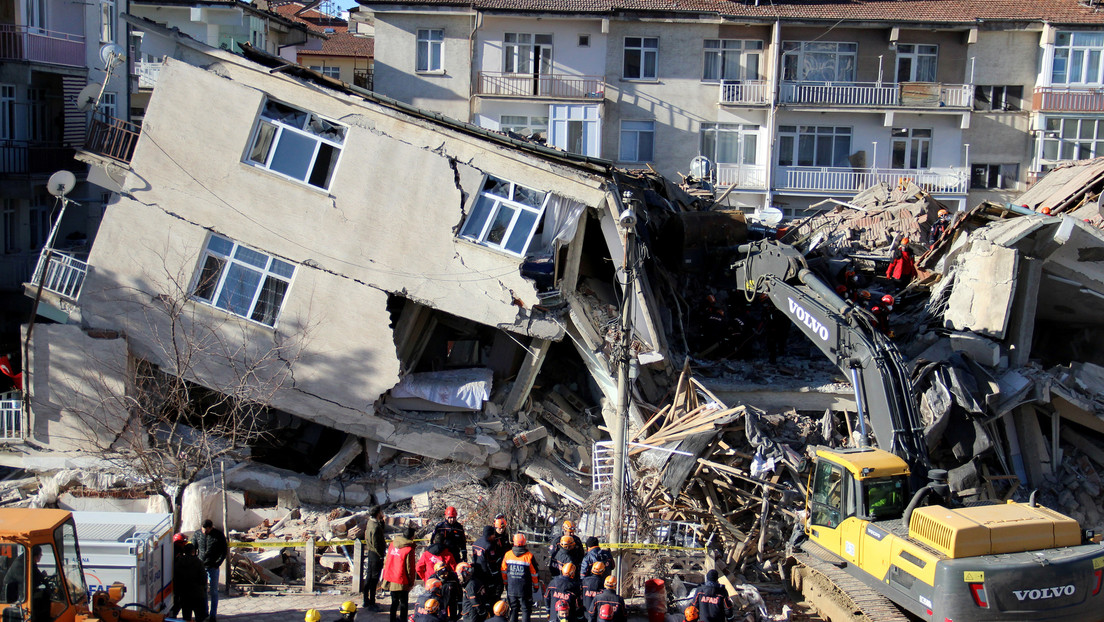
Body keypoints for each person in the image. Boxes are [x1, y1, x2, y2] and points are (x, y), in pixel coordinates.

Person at [192, 519, 228, 622]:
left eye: (206, 530)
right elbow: (193, 548)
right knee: (202, 591)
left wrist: (218, 563)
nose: (204, 532)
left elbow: (224, 551)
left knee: (213, 592)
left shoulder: (218, 535)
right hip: (201, 567)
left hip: (213, 567)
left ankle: (213, 615)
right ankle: (204, 612)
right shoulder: (197, 534)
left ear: (211, 527)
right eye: (203, 530)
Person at [381, 525, 418, 622]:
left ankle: (392, 619)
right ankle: (403, 620)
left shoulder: (392, 544)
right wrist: (411, 582)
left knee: (394, 602)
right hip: (402, 579)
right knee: (404, 603)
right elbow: (410, 568)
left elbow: (387, 560)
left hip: (391, 577)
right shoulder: (409, 549)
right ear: (412, 537)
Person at [501, 533, 538, 622]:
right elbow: (534, 574)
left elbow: (503, 571)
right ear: (525, 543)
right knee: (526, 610)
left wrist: (506, 584)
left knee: (513, 609)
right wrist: (536, 586)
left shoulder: (508, 555)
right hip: (525, 590)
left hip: (511, 589)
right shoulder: (529, 556)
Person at [174, 542, 208, 622]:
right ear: (193, 551)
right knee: (199, 617)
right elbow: (203, 579)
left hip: (184, 595)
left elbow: (176, 579)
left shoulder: (179, 563)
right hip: (198, 594)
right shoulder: (199, 562)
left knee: (186, 617)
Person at [470, 526, 499, 609]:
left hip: (476, 571)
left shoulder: (476, 542)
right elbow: (492, 562)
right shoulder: (489, 545)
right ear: (490, 534)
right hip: (486, 574)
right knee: (488, 594)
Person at [364, 506, 387, 610]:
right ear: (378, 513)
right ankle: (372, 603)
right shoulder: (375, 527)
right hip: (376, 554)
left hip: (371, 552)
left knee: (369, 577)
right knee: (374, 579)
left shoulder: (371, 522)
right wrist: (381, 555)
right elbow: (377, 542)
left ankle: (366, 600)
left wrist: (382, 521)